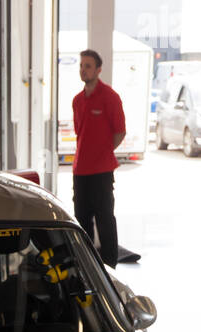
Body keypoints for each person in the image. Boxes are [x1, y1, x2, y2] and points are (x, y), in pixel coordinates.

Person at [72, 48, 132, 267]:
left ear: (98, 70)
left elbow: (120, 131)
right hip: (80, 170)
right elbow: (81, 133)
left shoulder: (110, 97)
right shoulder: (78, 100)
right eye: (81, 66)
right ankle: (87, 264)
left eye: (87, 66)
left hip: (101, 171)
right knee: (81, 219)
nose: (83, 70)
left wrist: (104, 152)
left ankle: (109, 264)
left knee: (105, 219)